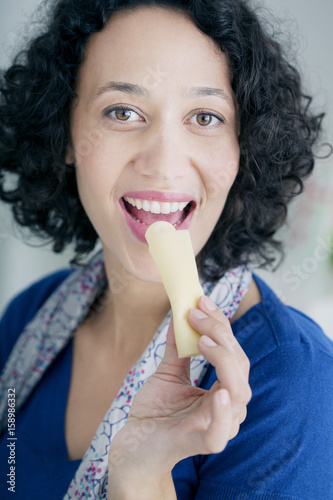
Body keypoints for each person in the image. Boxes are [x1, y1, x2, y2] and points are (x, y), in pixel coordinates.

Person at [0, 0, 332, 498]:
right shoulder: (27, 317)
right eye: (123, 111)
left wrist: (142, 474)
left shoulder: (292, 382)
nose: (164, 164)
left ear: (245, 148)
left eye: (205, 116)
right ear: (64, 134)